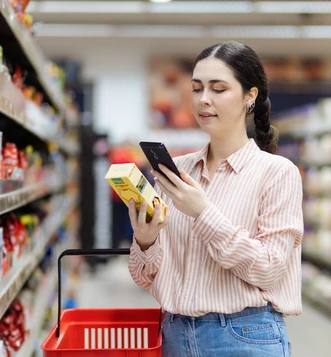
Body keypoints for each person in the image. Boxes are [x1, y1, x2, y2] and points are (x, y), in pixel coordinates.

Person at [128, 41, 303, 357]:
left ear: (250, 96)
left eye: (218, 89)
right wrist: (144, 241)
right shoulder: (175, 172)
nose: (203, 100)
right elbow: (143, 277)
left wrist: (203, 213)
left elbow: (269, 270)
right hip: (174, 335)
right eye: (196, 89)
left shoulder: (278, 173)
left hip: (244, 337)